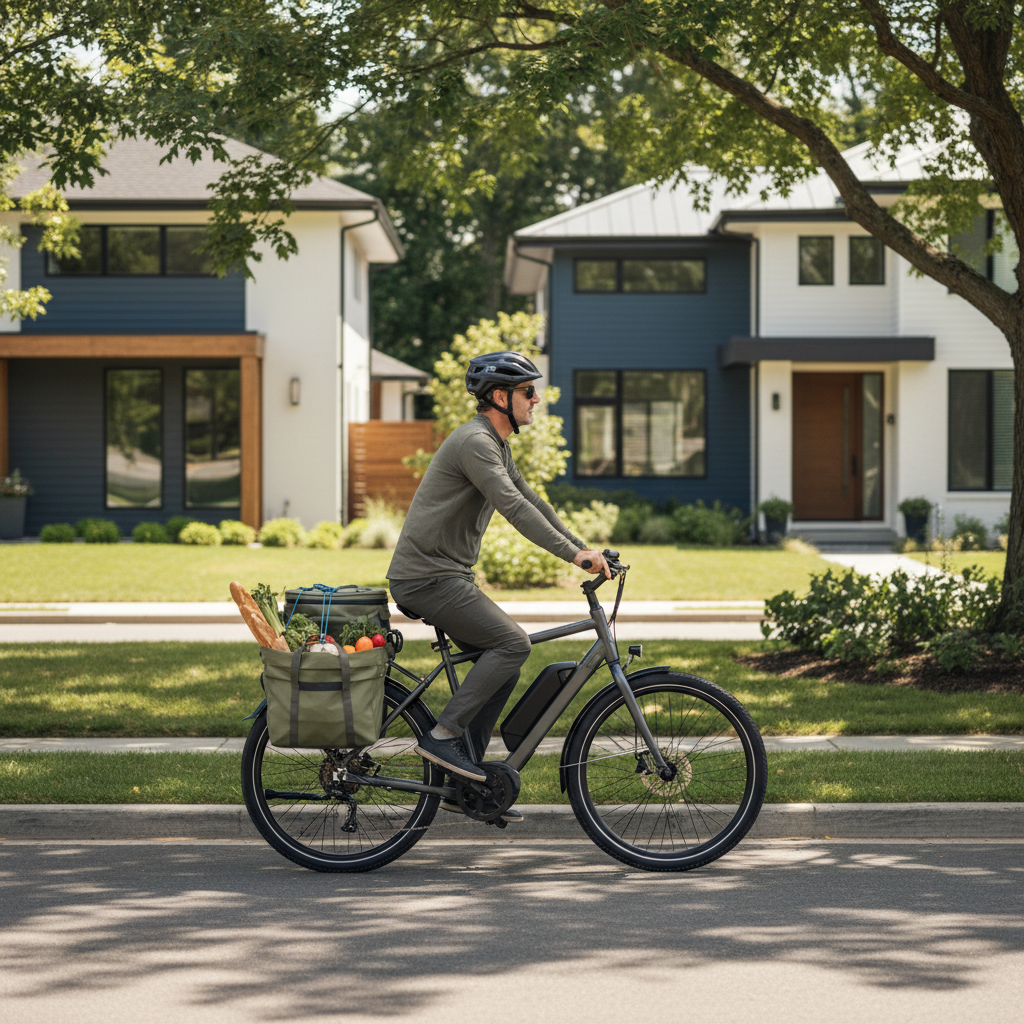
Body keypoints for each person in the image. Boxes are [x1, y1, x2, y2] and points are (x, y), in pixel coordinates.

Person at [387, 350, 610, 822]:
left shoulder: (496, 444)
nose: (537, 400)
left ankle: (466, 774)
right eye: (529, 392)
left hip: (444, 575)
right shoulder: (475, 442)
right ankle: (443, 739)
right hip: (427, 577)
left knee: (504, 661)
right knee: (513, 643)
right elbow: (513, 507)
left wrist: (584, 548)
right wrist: (573, 556)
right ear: (501, 397)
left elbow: (533, 501)